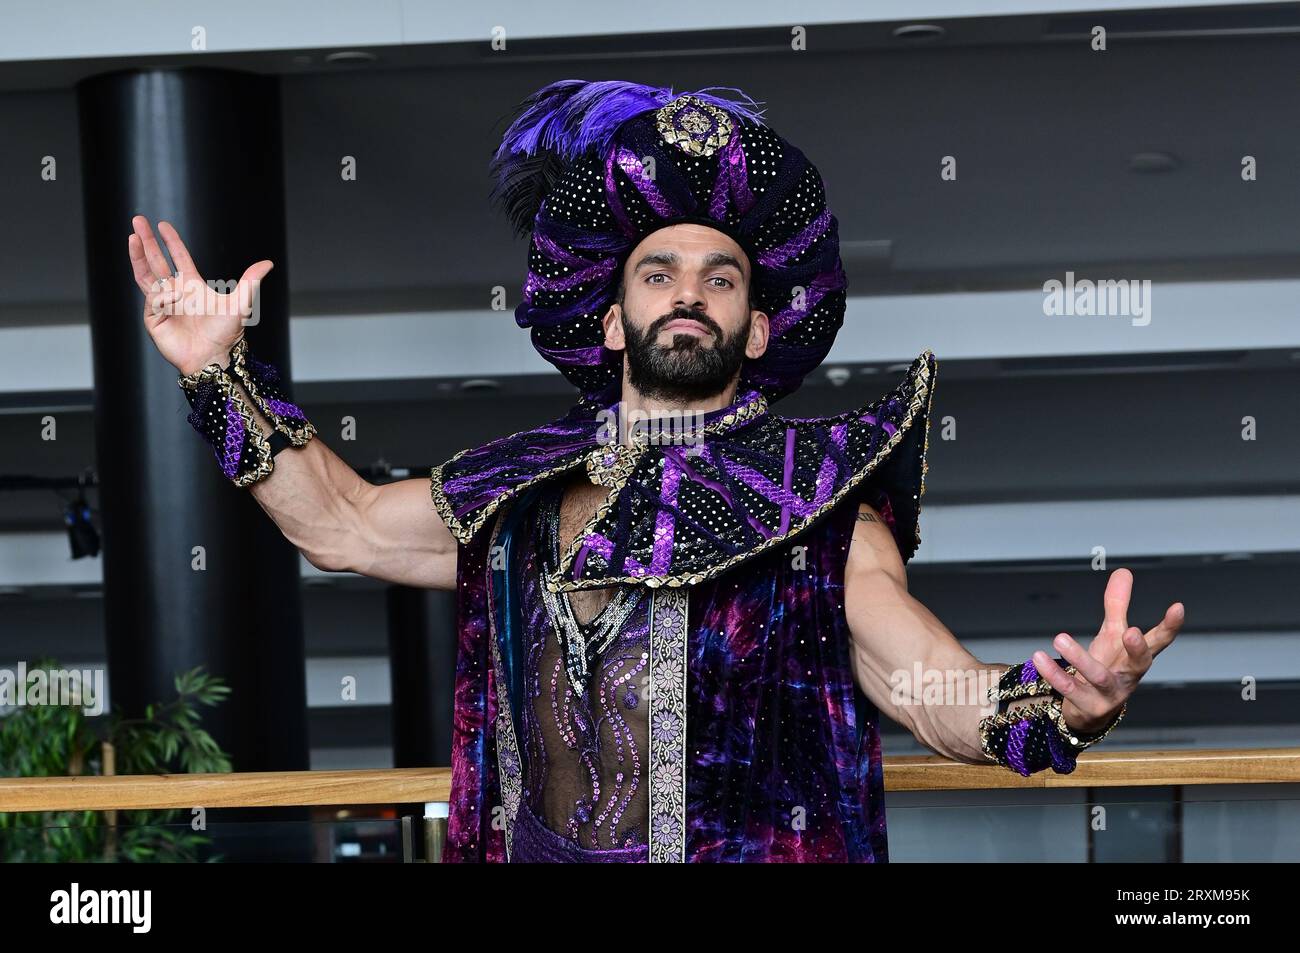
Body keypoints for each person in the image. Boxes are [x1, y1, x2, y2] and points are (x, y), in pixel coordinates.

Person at [129, 79, 1184, 863]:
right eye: (659, 271)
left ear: (759, 325)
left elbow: (926, 687)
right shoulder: (516, 493)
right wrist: (217, 373)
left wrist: (1059, 705)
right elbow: (342, 523)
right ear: (611, 315)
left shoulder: (816, 500)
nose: (689, 292)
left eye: (721, 276)